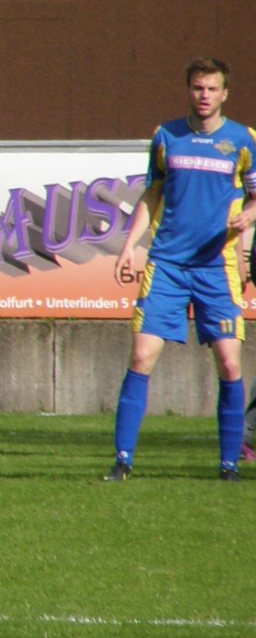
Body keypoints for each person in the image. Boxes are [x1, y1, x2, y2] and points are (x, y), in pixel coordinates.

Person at [106, 57, 256, 482]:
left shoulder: (243, 140)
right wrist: (129, 246)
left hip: (217, 267)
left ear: (224, 94)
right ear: (188, 91)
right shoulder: (166, 137)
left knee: (229, 363)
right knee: (141, 355)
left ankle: (228, 465)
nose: (204, 95)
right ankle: (122, 460)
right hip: (167, 265)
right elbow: (152, 193)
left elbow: (255, 194)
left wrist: (249, 214)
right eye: (197, 88)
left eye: (212, 89)